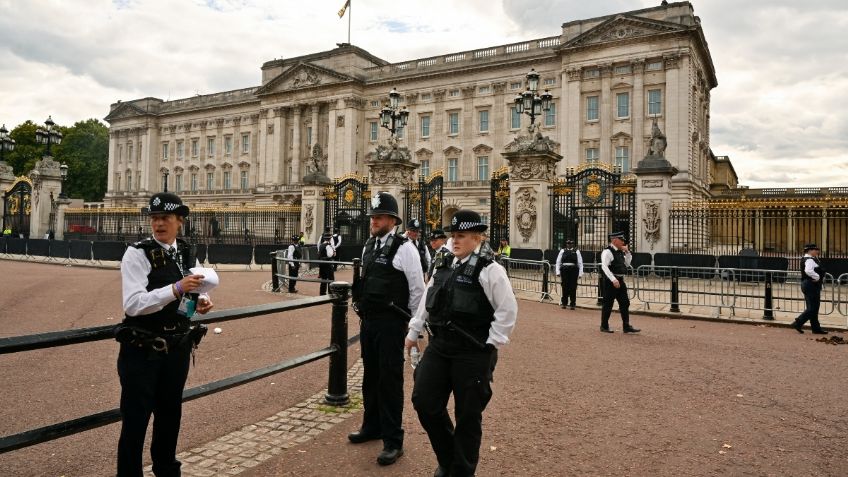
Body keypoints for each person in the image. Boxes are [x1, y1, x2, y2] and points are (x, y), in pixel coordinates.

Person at [406, 209, 518, 477]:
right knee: (424, 401)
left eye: (461, 236)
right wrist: (414, 330)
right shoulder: (443, 265)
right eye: (453, 235)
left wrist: (491, 343)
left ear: (477, 238)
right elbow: (427, 300)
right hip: (440, 346)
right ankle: (449, 459)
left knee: (468, 416)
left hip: (472, 351)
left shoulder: (490, 270)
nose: (454, 240)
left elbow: (507, 310)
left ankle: (461, 471)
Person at [116, 192, 213, 476]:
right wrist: (176, 289)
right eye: (155, 218)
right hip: (142, 350)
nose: (159, 224)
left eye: (165, 218)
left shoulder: (184, 251)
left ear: (179, 221)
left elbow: (188, 293)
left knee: (170, 416)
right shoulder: (137, 253)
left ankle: (167, 470)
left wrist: (200, 301)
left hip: (177, 348)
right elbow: (133, 305)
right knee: (135, 421)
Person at [349, 191, 425, 466]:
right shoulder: (369, 245)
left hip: (392, 323)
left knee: (390, 380)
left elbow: (417, 290)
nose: (374, 221)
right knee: (371, 376)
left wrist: (414, 328)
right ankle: (372, 425)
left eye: (379, 217)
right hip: (369, 321)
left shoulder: (405, 248)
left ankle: (394, 440)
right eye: (373, 217)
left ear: (392, 220)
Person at [599, 232, 639, 333]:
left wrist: (628, 253)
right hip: (611, 282)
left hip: (620, 280)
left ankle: (626, 326)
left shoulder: (620, 252)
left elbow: (626, 264)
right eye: (621, 240)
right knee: (608, 304)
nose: (623, 242)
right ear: (614, 240)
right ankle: (604, 326)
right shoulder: (607, 252)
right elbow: (604, 266)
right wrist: (613, 279)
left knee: (625, 302)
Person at [792, 243, 828, 335]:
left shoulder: (810, 259)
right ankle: (798, 322)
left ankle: (816, 328)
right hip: (810, 285)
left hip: (809, 285)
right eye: (815, 249)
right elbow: (808, 271)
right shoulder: (809, 260)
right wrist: (817, 277)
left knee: (813, 308)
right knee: (813, 307)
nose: (817, 251)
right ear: (810, 250)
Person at [555, 239, 583, 309]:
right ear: (566, 244)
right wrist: (557, 272)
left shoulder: (577, 251)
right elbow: (558, 261)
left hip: (573, 270)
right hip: (564, 270)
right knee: (564, 286)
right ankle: (564, 303)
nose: (569, 245)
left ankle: (572, 304)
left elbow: (580, 263)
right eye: (568, 244)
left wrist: (580, 273)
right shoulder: (562, 251)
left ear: (573, 244)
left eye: (570, 244)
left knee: (573, 287)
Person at [318, 231, 336, 295]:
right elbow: (329, 255)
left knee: (324, 278)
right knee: (331, 278)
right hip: (328, 263)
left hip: (322, 263)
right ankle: (330, 292)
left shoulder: (321, 245)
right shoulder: (328, 245)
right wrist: (333, 253)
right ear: (330, 238)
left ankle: (322, 292)